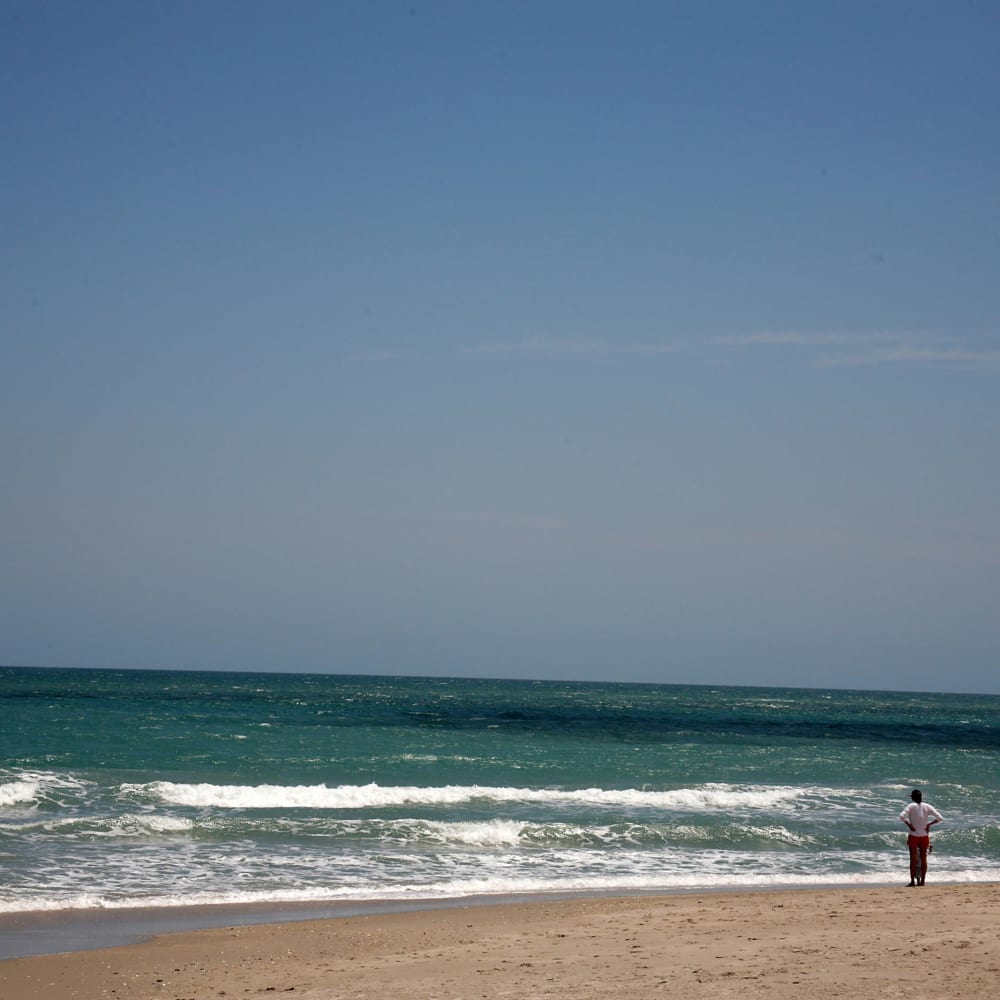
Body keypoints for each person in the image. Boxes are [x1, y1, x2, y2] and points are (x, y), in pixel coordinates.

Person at [899, 788, 943, 887]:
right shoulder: (927, 806)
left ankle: (912, 881)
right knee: (924, 859)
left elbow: (902, 816)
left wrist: (909, 825)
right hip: (924, 836)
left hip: (913, 836)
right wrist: (929, 825)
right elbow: (940, 818)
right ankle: (922, 881)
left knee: (913, 859)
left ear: (913, 798)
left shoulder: (911, 806)